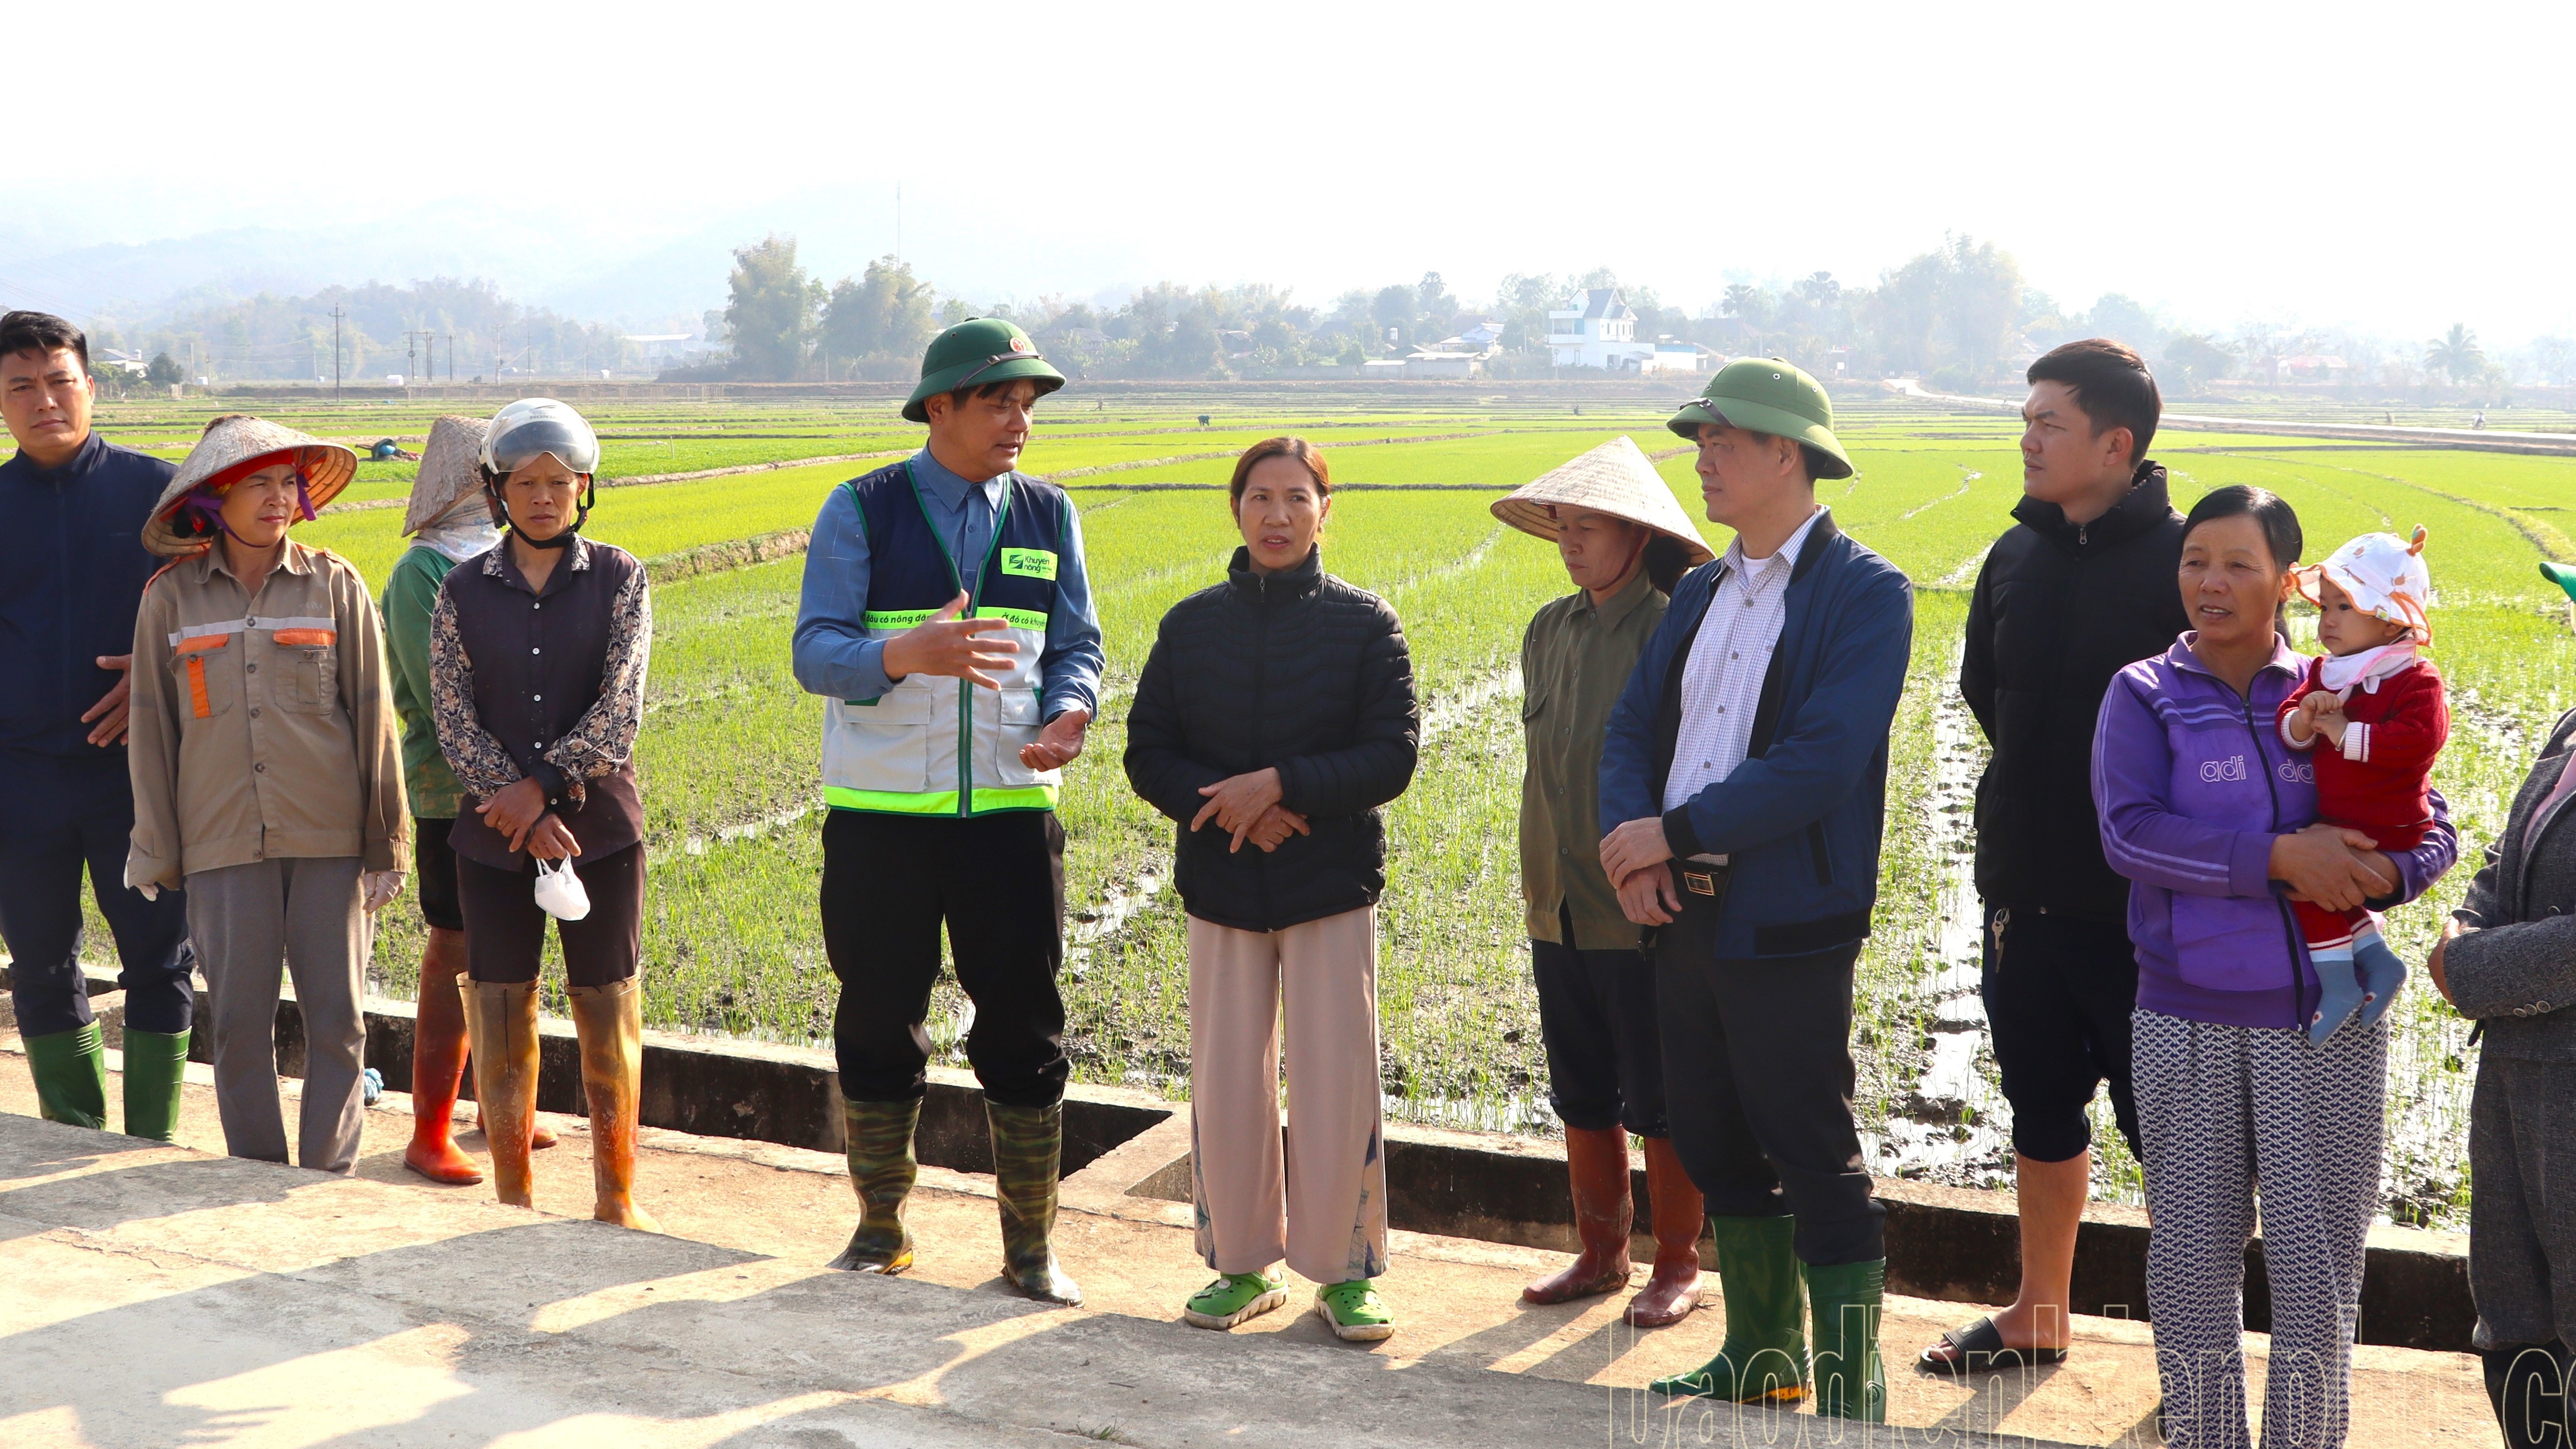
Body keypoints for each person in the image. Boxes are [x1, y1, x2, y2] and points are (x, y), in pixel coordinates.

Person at [2092, 485, 2457, 1449]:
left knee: (2318, 1268)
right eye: (2194, 560)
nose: (2209, 582)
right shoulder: (2145, 692)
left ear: (2289, 582)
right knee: (2190, 1264)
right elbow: (2130, 834)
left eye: (2237, 564)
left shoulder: (2345, 686)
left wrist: (2392, 870)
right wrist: (2279, 861)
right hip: (2187, 1012)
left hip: (2325, 1021)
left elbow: (2430, 816)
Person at [1599, 359, 1913, 1419]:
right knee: (1715, 1133)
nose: (1703, 463)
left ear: (1788, 454)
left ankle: (1846, 1374)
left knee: (1809, 1143)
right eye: (1699, 444)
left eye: (1722, 443)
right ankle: (1761, 1353)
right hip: (1679, 911)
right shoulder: (1697, 588)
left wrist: (1673, 830)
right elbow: (1635, 728)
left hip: (1786, 918)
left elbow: (1821, 760)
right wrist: (1634, 849)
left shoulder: (1865, 594)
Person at [791, 318, 1103, 1305]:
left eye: (1029, 403)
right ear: (941, 409)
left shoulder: (1050, 516)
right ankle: (880, 1224)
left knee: (1024, 1024)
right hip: (883, 821)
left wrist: (1071, 709)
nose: (1020, 419)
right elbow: (814, 651)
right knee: (879, 1016)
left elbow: (1077, 646)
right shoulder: (862, 510)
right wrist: (902, 654)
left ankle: (1030, 1248)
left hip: (1011, 817)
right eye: (999, 400)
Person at [1922, 339, 2187, 1375]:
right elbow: (1987, 692)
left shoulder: (2185, 561)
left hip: (2148, 914)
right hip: (2024, 894)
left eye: (2049, 423)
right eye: (2024, 419)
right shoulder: (2015, 556)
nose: (2026, 439)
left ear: (2115, 444)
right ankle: (2041, 1310)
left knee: (2172, 1131)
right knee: (2039, 1104)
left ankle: (2195, 1348)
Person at [1124, 437, 1417, 1340]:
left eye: (1297, 497)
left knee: (1337, 1078)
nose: (1278, 514)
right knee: (1226, 1079)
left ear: (1327, 509)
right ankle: (1242, 1264)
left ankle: (1345, 1271)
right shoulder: (1190, 625)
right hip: (1223, 883)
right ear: (1236, 509)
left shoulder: (1368, 625)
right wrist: (1237, 808)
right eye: (1260, 497)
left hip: (1328, 883)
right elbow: (1148, 752)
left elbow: (1391, 755)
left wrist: (1283, 784)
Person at [124, 415, 408, 1173]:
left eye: (289, 482)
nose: (280, 497)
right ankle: (252, 1169)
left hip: (331, 840)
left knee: (339, 1020)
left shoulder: (335, 585)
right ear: (215, 499)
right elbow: (152, 733)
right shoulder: (171, 601)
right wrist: (157, 846)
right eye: (259, 482)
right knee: (241, 1024)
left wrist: (387, 843)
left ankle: (328, 1172)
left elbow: (376, 717)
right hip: (219, 842)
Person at [1492, 436, 1712, 1328]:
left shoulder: (1672, 629)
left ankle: (1679, 1264)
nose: (1573, 542)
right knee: (1581, 1086)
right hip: (1558, 900)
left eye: (1591, 526)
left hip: (1639, 907)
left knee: (1660, 1096)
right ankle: (1599, 1252)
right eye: (1564, 527)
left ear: (1636, 533)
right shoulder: (1550, 628)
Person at [429, 399, 658, 1230]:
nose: (542, 497)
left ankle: (616, 1198)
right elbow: (452, 717)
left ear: (583, 489)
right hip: (494, 839)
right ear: (496, 493)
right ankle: (514, 1198)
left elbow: (620, 708)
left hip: (598, 832)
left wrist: (548, 787)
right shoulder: (460, 590)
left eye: (559, 483)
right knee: (499, 1005)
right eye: (524, 483)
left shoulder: (622, 578)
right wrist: (521, 813)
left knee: (608, 1003)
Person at [0, 310, 196, 1139]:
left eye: (59, 380)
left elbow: (222, 623)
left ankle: (150, 1140)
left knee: (161, 956)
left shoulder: (162, 494)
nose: (44, 400)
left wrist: (157, 685)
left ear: (91, 385)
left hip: (138, 773)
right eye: (21, 387)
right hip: (19, 776)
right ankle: (71, 1128)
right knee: (40, 964)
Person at [382, 414, 556, 1182]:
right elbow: (442, 695)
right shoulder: (423, 571)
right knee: (455, 946)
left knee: (514, 945)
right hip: (455, 792)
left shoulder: (509, 557)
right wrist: (518, 775)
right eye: (506, 471)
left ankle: (499, 1107)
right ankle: (429, 1130)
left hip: (528, 792)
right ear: (474, 482)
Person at [2436, 559, 2576, 1449]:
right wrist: (2464, 922)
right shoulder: (2571, 728)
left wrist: (2473, 967)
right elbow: (2504, 857)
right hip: (2518, 1087)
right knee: (2517, 1323)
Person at [2279, 528, 2446, 1043]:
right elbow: (2289, 720)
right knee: (2322, 888)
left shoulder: (2418, 680)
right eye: (2323, 606)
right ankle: (2379, 963)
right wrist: (2304, 720)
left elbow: (2419, 741)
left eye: (2344, 607)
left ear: (2391, 615)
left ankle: (2339, 984)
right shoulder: (2327, 672)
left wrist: (2345, 732)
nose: (2326, 620)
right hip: (2341, 818)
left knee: (2307, 884)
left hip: (2390, 824)